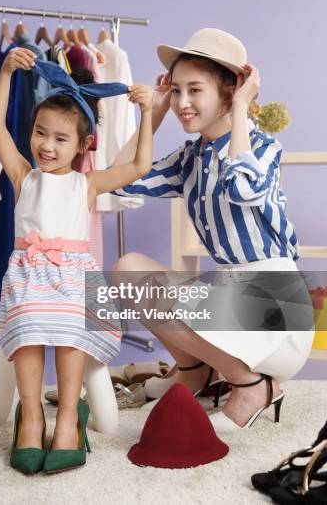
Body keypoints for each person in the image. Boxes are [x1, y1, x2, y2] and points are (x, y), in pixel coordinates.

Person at [110, 28, 314, 431]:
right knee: (127, 269)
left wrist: (242, 105)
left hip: (275, 308)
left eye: (195, 90)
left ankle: (253, 386)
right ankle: (195, 371)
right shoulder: (190, 158)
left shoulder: (263, 147)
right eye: (177, 90)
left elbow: (242, 186)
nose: (184, 102)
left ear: (228, 91)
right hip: (230, 298)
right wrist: (157, 110)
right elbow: (119, 179)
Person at [0, 47, 153, 473]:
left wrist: (148, 112)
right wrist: (6, 73)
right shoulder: (25, 176)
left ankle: (67, 417)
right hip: (29, 275)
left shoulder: (88, 184)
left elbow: (139, 164)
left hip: (75, 279)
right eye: (40, 133)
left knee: (69, 326)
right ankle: (31, 415)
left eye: (60, 139)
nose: (46, 145)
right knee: (25, 325)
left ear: (84, 145)